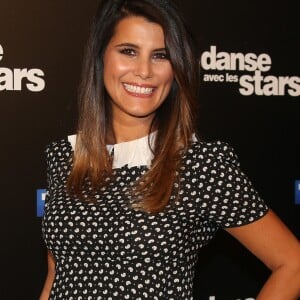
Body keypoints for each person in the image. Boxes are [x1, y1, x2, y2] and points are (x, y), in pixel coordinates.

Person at [40, 0, 300, 299]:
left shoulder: (200, 164)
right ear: (100, 59)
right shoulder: (65, 156)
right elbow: (56, 274)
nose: (144, 71)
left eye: (160, 56)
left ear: (176, 69)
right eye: (129, 51)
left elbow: (292, 263)